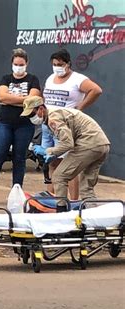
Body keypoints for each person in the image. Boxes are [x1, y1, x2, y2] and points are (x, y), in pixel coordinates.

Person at [0, 48, 41, 213]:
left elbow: (33, 100)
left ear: (27, 64)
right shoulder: (6, 78)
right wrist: (23, 100)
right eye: (16, 64)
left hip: (24, 124)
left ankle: (16, 197)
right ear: (12, 64)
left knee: (19, 158)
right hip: (4, 122)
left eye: (22, 64)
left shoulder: (33, 79)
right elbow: (1, 97)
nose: (19, 67)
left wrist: (13, 100)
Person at [21, 96, 110, 211]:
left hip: (88, 144)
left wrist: (47, 151)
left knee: (59, 176)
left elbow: (68, 144)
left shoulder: (53, 118)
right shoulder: (55, 114)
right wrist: (54, 155)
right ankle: (92, 216)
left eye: (32, 114)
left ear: (41, 109)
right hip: (102, 144)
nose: (31, 118)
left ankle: (61, 211)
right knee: (86, 186)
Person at [41, 49, 103, 200]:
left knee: (68, 165)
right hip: (48, 124)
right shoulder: (51, 78)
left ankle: (73, 199)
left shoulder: (77, 79)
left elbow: (96, 90)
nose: (57, 67)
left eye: (60, 64)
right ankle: (52, 198)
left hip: (65, 126)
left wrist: (80, 107)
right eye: (54, 64)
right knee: (51, 162)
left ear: (68, 64)